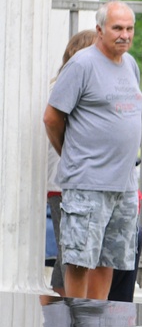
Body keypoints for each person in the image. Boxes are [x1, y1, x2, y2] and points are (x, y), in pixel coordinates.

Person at [43, 1, 142, 301]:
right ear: (100, 30)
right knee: (78, 260)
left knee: (109, 259)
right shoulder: (82, 64)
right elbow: (52, 117)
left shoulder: (130, 64)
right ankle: (77, 325)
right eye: (117, 28)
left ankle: (96, 325)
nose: (124, 35)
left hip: (123, 185)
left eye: (129, 28)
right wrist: (71, 155)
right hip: (88, 182)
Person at [46, 30, 98, 297]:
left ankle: (57, 311)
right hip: (64, 184)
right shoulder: (67, 87)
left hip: (71, 181)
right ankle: (61, 309)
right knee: (70, 252)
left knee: (66, 251)